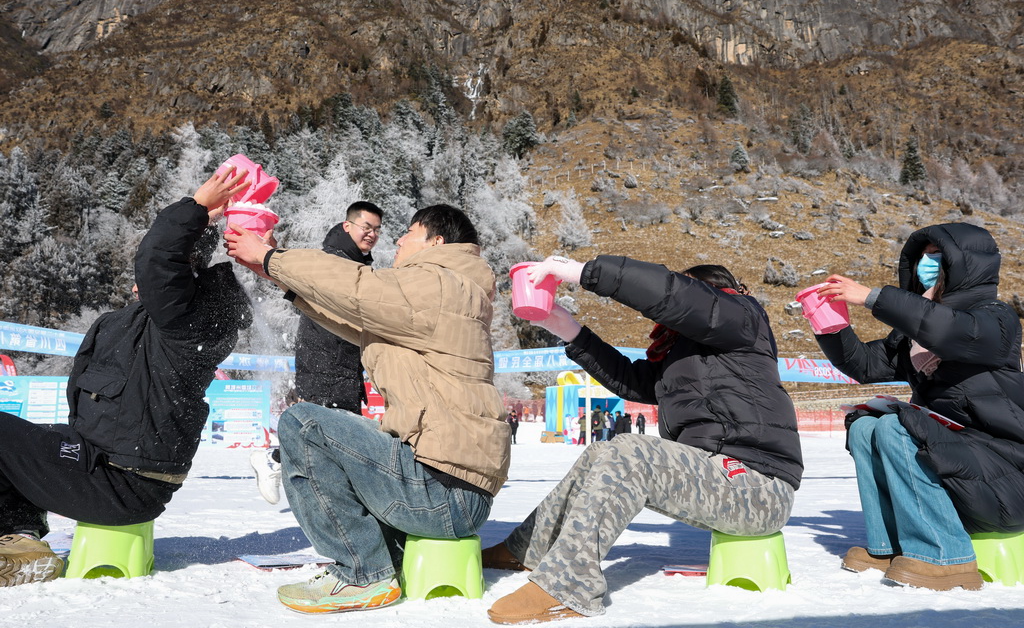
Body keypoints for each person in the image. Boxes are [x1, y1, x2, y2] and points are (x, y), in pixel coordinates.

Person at [483, 256, 803, 623]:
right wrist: (569, 329)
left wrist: (583, 272)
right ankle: (527, 550)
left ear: (708, 294)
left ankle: (569, 586)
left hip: (758, 487)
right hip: (716, 475)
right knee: (603, 450)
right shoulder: (684, 354)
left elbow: (674, 295)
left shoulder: (743, 317)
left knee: (631, 453)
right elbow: (633, 381)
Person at [225, 203, 510, 614]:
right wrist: (277, 274)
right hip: (453, 490)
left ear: (437, 241)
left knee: (303, 424)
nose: (397, 240)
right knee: (345, 429)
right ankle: (375, 560)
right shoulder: (453, 292)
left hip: (440, 491)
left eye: (408, 232)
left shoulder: (441, 284)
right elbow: (355, 318)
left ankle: (362, 574)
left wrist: (272, 256)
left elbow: (357, 287)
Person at [0, 167, 253, 586]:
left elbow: (158, 261)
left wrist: (196, 207)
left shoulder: (188, 321)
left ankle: (20, 539)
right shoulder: (146, 322)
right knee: (20, 438)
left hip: (122, 480)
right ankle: (22, 541)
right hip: (107, 464)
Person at [809, 222, 1024, 591]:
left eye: (937, 257)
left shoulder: (995, 319)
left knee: (898, 426)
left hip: (1007, 472)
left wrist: (875, 297)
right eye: (921, 257)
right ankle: (889, 545)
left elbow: (949, 331)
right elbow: (864, 364)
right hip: (962, 464)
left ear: (965, 265)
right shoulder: (914, 337)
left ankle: (944, 555)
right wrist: (830, 325)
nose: (926, 264)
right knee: (865, 425)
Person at [249, 201, 383, 505]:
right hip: (326, 361)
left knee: (334, 440)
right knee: (333, 437)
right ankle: (274, 460)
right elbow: (300, 274)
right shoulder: (335, 259)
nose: (372, 234)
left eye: (377, 229)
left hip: (342, 364)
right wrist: (271, 254)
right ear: (348, 226)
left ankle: (278, 462)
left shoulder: (354, 261)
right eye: (366, 227)